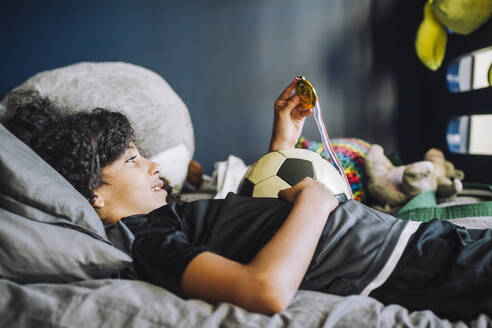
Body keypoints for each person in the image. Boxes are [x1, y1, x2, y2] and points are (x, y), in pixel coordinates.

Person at [2, 81, 492, 321]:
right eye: (132, 160)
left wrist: (283, 145)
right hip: (406, 262)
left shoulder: (171, 218)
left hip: (409, 245)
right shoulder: (147, 241)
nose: (153, 166)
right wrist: (315, 205)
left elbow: (251, 224)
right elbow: (264, 291)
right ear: (92, 191)